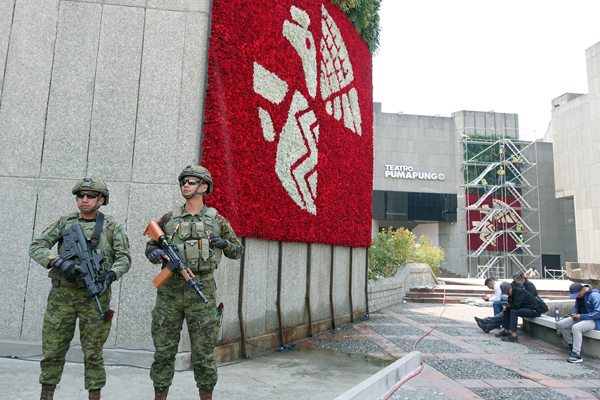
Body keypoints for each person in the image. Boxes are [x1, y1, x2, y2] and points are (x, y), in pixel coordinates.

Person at [146, 165, 244, 400]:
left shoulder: (217, 220)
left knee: (203, 352)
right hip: (169, 290)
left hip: (201, 288)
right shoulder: (169, 218)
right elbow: (151, 243)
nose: (185, 185)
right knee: (163, 350)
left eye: (191, 181)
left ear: (204, 186)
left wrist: (223, 243)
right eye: (183, 182)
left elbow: (237, 251)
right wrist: (153, 253)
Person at [29, 178, 131, 400]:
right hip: (61, 296)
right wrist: (57, 262)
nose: (84, 200)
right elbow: (37, 246)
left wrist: (111, 275)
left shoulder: (112, 225)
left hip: (95, 297)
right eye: (80, 195)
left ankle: (94, 395)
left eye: (91, 196)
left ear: (101, 199)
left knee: (93, 353)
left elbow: (124, 257)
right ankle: (46, 395)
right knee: (53, 351)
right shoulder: (65, 222)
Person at [557, 283, 600, 363]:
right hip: (581, 317)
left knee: (576, 328)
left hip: (593, 320)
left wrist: (581, 316)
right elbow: (576, 307)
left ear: (583, 290)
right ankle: (571, 345)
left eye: (577, 294)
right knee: (561, 324)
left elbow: (598, 313)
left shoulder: (594, 295)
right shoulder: (579, 297)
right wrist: (574, 314)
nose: (577, 296)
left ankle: (576, 354)